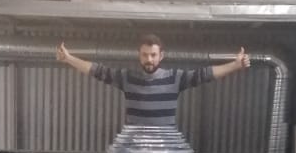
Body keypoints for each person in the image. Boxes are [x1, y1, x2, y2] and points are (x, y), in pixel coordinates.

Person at [55, 35, 250, 127]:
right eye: (145, 55)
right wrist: (68, 59)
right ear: (139, 55)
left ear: (161, 55)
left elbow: (205, 74)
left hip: (165, 150)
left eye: (153, 55)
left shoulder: (175, 78)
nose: (149, 59)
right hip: (134, 151)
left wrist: (235, 65)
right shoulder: (127, 78)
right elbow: (97, 71)